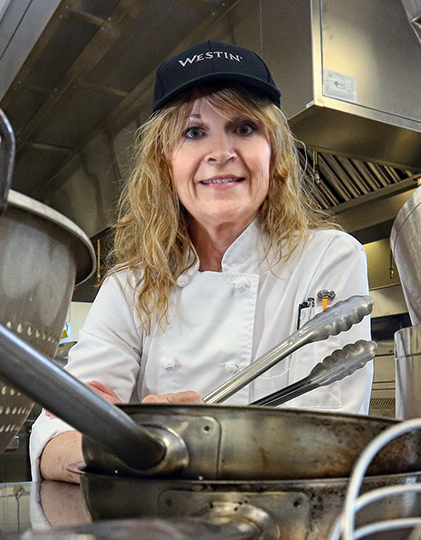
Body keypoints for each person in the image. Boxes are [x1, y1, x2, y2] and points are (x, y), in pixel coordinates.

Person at [30, 40, 373, 483]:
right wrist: (153, 443)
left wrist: (160, 441)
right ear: (164, 160)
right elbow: (53, 438)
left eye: (245, 128)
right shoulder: (130, 285)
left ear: (274, 152)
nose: (221, 152)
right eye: (193, 132)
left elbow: (331, 439)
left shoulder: (326, 257)